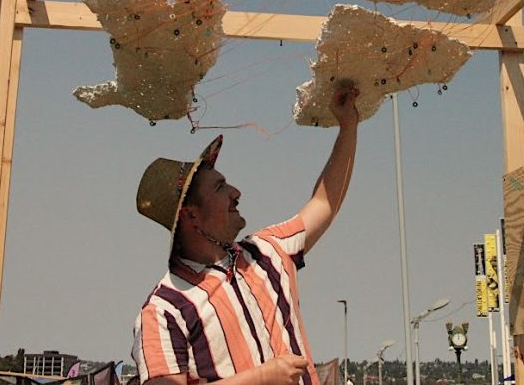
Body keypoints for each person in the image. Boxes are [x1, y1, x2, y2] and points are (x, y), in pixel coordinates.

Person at [132, 86, 361, 385]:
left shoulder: (268, 250)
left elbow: (324, 203)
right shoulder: (164, 310)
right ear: (191, 215)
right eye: (219, 187)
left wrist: (348, 127)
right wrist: (263, 378)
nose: (236, 192)